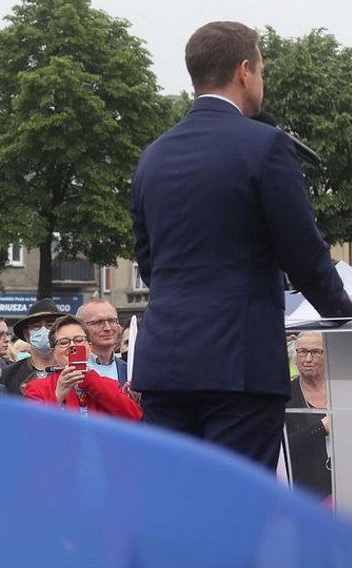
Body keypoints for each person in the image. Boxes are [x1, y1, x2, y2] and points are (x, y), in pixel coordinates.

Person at [131, 21, 352, 469]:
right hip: (240, 367)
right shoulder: (265, 145)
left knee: (178, 508)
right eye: (263, 71)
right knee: (236, 515)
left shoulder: (153, 155)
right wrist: (344, 310)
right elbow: (304, 255)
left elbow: (149, 263)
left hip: (165, 367)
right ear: (245, 70)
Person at [24, 315, 141, 420]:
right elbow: (31, 429)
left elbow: (135, 418)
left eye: (79, 340)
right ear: (54, 352)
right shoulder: (37, 388)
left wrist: (91, 380)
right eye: (64, 342)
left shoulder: (108, 384)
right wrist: (57, 396)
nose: (72, 346)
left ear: (89, 347)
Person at [284, 332, 331, 501]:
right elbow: (283, 447)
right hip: (305, 492)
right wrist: (320, 428)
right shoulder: (285, 395)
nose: (308, 359)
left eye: (316, 352)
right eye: (302, 351)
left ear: (328, 356)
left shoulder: (342, 389)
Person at [0, 299, 63, 397]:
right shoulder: (8, 375)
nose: (43, 330)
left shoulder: (71, 371)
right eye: (36, 326)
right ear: (26, 335)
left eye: (50, 325)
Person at [76, 298, 127, 386]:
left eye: (112, 321)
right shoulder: (71, 371)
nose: (108, 328)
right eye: (99, 322)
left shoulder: (129, 370)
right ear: (81, 327)